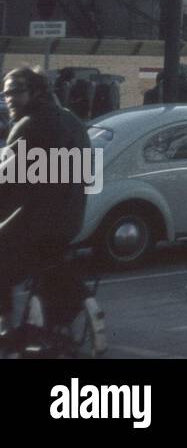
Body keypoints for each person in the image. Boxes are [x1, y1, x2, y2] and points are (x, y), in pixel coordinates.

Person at [0, 68, 91, 325]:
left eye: (16, 92)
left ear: (37, 91)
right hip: (70, 223)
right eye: (6, 93)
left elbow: (6, 181)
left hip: (37, 227)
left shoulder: (30, 125)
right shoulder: (71, 120)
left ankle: (4, 323)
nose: (9, 99)